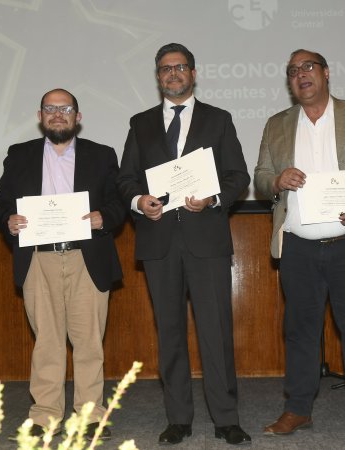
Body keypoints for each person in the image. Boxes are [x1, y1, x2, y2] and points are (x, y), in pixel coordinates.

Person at [254, 49, 345, 445]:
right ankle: (297, 409)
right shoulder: (277, 125)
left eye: (308, 67)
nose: (300, 75)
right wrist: (277, 180)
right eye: (293, 71)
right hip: (298, 247)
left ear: (326, 73)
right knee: (300, 331)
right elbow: (262, 175)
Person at [116, 43, 251, 446]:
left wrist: (213, 199)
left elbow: (238, 176)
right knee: (170, 333)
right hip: (159, 242)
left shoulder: (219, 119)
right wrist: (140, 202)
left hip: (206, 240)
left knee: (216, 332)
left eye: (180, 67)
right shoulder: (140, 123)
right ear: (157, 77)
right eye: (164, 69)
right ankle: (178, 418)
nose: (172, 74)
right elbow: (125, 179)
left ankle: (226, 417)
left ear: (193, 73)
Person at [0, 89, 126, 441]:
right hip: (38, 257)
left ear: (77, 117)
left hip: (87, 257)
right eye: (50, 109)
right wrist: (9, 219)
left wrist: (103, 218)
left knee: (88, 341)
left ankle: (89, 414)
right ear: (40, 116)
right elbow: (2, 201)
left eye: (65, 108)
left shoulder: (101, 155)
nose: (57, 114)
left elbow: (119, 202)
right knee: (47, 341)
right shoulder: (19, 155)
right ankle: (45, 415)